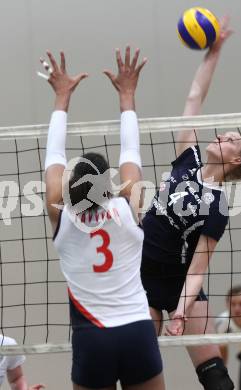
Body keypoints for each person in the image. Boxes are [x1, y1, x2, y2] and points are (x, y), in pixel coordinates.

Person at [140, 17, 241, 390]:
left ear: (236, 161)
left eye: (231, 141)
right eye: (224, 133)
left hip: (179, 283)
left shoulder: (218, 205)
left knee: (214, 374)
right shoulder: (186, 157)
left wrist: (181, 310)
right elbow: (195, 97)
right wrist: (215, 50)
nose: (222, 135)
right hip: (140, 275)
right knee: (137, 363)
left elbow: (196, 269)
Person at [43, 47, 165, 390]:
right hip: (136, 331)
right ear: (105, 183)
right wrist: (127, 95)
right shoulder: (127, 209)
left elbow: (53, 155)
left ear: (68, 187)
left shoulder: (61, 217)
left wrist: (61, 98)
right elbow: (131, 151)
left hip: (91, 336)